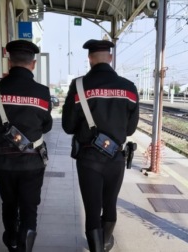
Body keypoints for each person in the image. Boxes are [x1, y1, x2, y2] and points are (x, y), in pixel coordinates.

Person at [62, 39, 139, 252]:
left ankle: (97, 246)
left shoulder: (78, 86)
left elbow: (68, 126)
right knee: (110, 203)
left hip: (88, 159)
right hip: (116, 157)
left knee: (92, 208)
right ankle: (105, 242)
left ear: (89, 59)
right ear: (111, 58)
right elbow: (130, 130)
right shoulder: (129, 88)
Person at [0, 40, 53, 252]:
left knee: (9, 205)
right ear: (33, 64)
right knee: (29, 208)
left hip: (3, 161)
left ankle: (11, 241)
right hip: (32, 162)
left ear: (10, 62)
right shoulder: (42, 92)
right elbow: (46, 126)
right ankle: (25, 247)